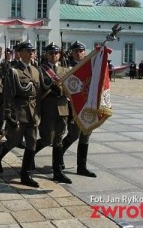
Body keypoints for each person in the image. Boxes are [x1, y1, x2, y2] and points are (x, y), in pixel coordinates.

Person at [0, 41, 42, 187]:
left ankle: (25, 175)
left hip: (32, 112)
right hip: (19, 111)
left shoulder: (35, 70)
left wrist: (38, 112)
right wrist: (9, 115)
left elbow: (37, 93)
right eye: (28, 50)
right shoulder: (13, 71)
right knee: (13, 141)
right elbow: (8, 95)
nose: (31, 53)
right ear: (20, 53)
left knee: (31, 143)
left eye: (32, 50)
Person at [35, 42, 72, 184]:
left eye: (56, 53)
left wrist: (61, 90)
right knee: (47, 139)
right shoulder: (40, 70)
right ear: (46, 54)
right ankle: (30, 154)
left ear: (60, 55)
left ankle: (57, 172)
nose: (54, 55)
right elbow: (39, 89)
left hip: (62, 108)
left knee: (58, 140)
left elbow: (69, 88)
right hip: (48, 108)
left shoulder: (64, 70)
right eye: (51, 53)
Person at [61, 41, 96, 177]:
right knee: (73, 135)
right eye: (75, 51)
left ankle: (82, 167)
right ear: (72, 53)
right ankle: (59, 156)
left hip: (87, 106)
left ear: (84, 53)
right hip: (74, 107)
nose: (78, 53)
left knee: (85, 135)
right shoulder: (68, 68)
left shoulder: (90, 67)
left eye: (80, 51)